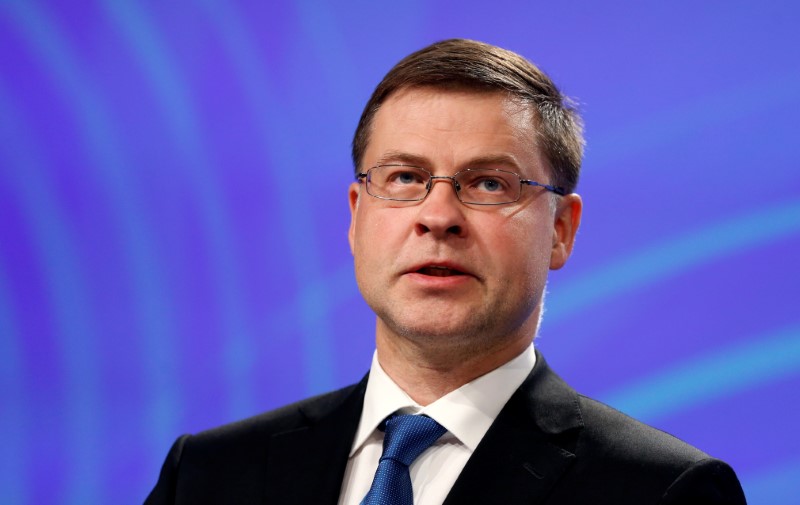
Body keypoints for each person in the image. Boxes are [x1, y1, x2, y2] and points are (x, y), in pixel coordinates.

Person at [145, 39, 746, 504]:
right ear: (357, 218)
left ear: (561, 229)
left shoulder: (663, 491)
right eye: (404, 177)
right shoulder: (207, 475)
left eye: (489, 183)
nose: (438, 216)